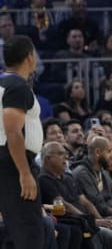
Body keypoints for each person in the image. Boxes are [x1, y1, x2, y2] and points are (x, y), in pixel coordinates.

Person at [0, 35, 45, 248]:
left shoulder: (5, 83)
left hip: (8, 162)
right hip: (14, 163)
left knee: (12, 234)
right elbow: (13, 132)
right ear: (29, 57)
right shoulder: (17, 86)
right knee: (30, 232)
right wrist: (24, 173)